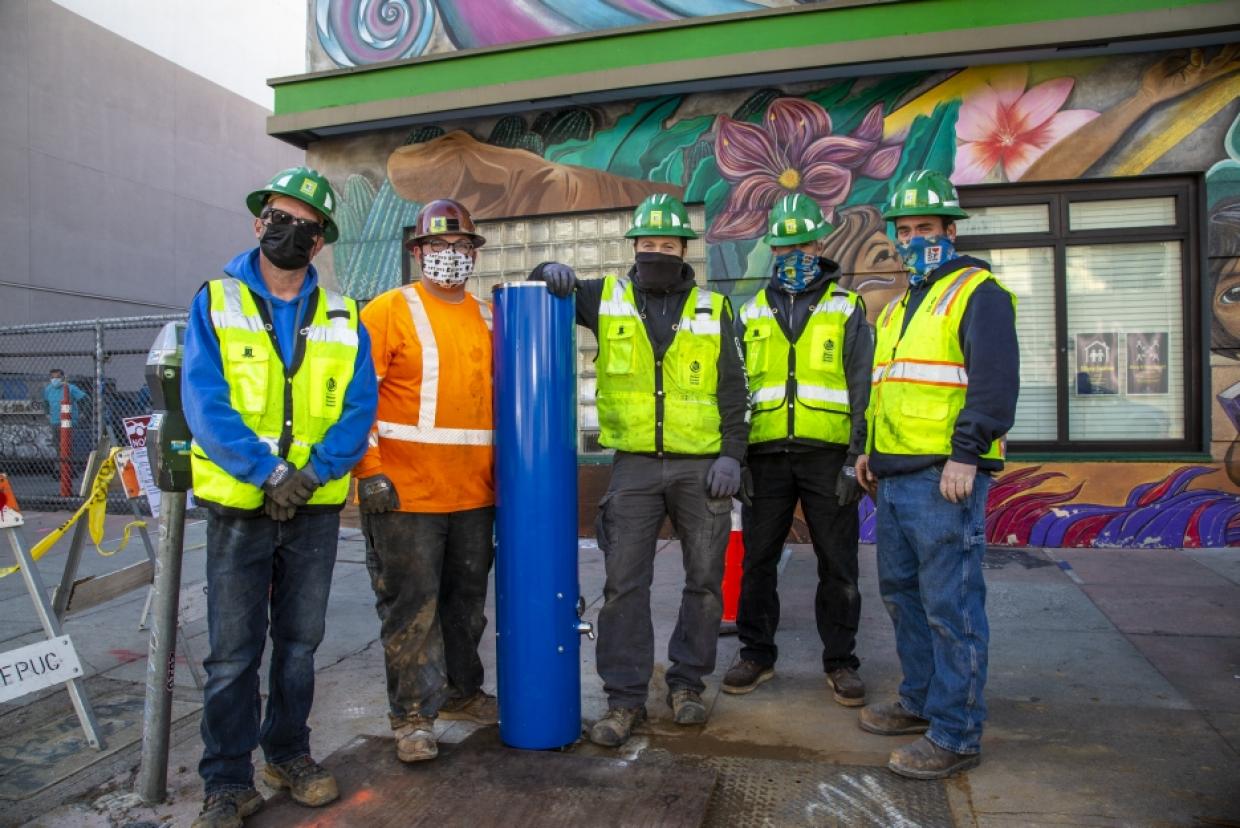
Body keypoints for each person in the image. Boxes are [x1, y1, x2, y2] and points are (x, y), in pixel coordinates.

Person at [183, 166, 378, 828]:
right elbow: (205, 402)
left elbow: (357, 410)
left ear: (320, 241)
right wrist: (268, 473)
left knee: (298, 644)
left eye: (305, 224)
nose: (290, 232)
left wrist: (312, 473)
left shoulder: (347, 316)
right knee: (233, 652)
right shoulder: (217, 300)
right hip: (241, 504)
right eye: (279, 218)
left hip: (313, 508)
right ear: (258, 222)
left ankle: (288, 754)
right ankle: (226, 779)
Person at [539, 193, 750, 746]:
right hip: (632, 467)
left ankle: (687, 686)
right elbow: (543, 286)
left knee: (704, 584)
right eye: (648, 243)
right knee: (625, 583)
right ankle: (624, 700)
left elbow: (735, 388)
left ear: (685, 249)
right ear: (634, 246)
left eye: (668, 243)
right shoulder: (603, 298)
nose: (657, 251)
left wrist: (733, 453)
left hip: (702, 467)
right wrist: (548, 269)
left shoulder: (715, 308)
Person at [855, 169, 1018, 780]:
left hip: (943, 479)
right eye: (905, 229)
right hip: (893, 478)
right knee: (903, 598)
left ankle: (955, 733)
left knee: (952, 607)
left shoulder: (979, 292)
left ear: (952, 230)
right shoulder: (899, 305)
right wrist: (870, 449)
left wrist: (966, 455)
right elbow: (886, 387)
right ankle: (920, 701)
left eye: (926, 227)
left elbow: (995, 385)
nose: (914, 238)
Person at [353, 199, 504, 765]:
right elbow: (356, 398)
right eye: (438, 247)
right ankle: (413, 717)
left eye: (462, 248)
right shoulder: (389, 310)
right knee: (411, 608)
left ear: (474, 256)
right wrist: (368, 473)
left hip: (474, 495)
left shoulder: (490, 316)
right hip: (405, 493)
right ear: (417, 253)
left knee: (466, 606)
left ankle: (462, 694)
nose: (451, 257)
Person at [723, 195, 872, 706]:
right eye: (783, 244)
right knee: (758, 560)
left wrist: (856, 458)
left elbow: (861, 388)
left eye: (802, 243)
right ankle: (756, 654)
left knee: (838, 563)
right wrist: (738, 455)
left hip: (827, 456)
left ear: (818, 243)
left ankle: (840, 662)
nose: (793, 252)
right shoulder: (751, 311)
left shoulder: (847, 307)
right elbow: (737, 389)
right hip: (765, 457)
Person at [43, 368, 88, 463]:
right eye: (52, 377)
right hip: (54, 421)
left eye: (58, 377)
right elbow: (45, 402)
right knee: (57, 446)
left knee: (68, 445)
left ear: (63, 377)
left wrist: (83, 413)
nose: (55, 379)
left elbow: (85, 399)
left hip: (69, 422)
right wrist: (47, 413)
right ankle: (59, 468)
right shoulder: (48, 389)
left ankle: (70, 468)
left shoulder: (70, 388)